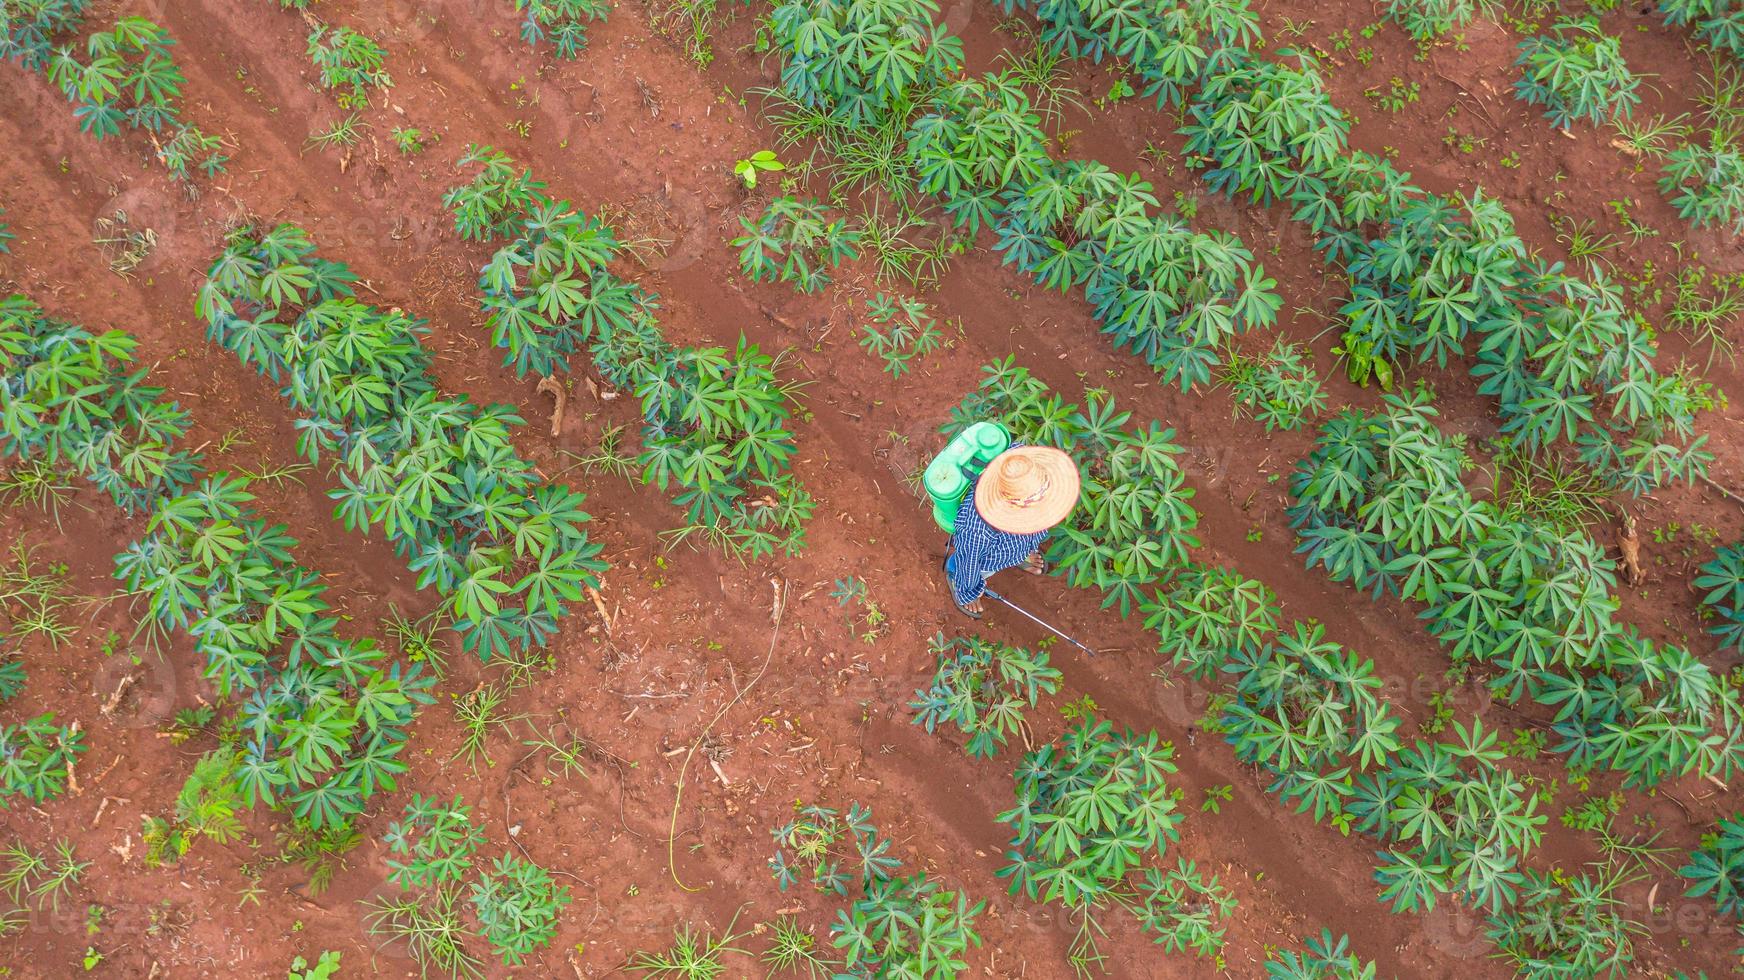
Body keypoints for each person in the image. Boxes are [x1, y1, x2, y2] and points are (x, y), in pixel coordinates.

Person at [944, 444, 1081, 619]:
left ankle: (1019, 554)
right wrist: (969, 591)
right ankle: (960, 580)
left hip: (1014, 540)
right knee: (970, 565)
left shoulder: (1020, 462)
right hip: (986, 556)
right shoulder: (978, 528)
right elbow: (969, 560)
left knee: (1020, 541)